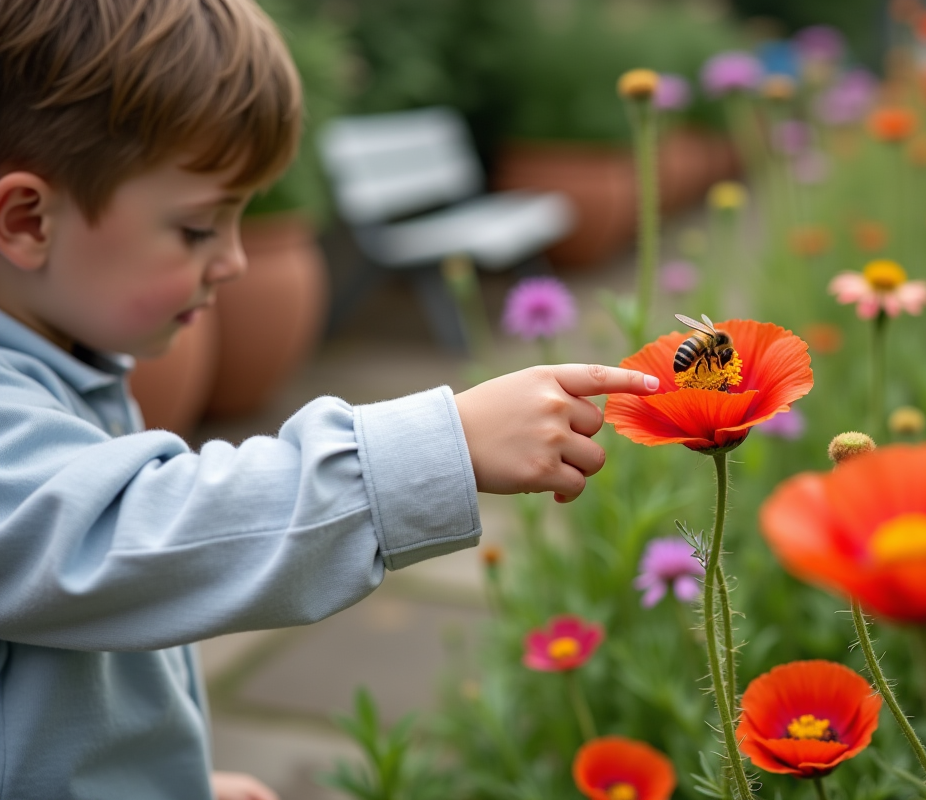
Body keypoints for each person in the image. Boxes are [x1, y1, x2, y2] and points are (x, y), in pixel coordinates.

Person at [0, 1, 658, 798]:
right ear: (26, 219)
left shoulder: (74, 368)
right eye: (200, 227)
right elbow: (121, 535)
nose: (235, 261)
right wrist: (430, 447)